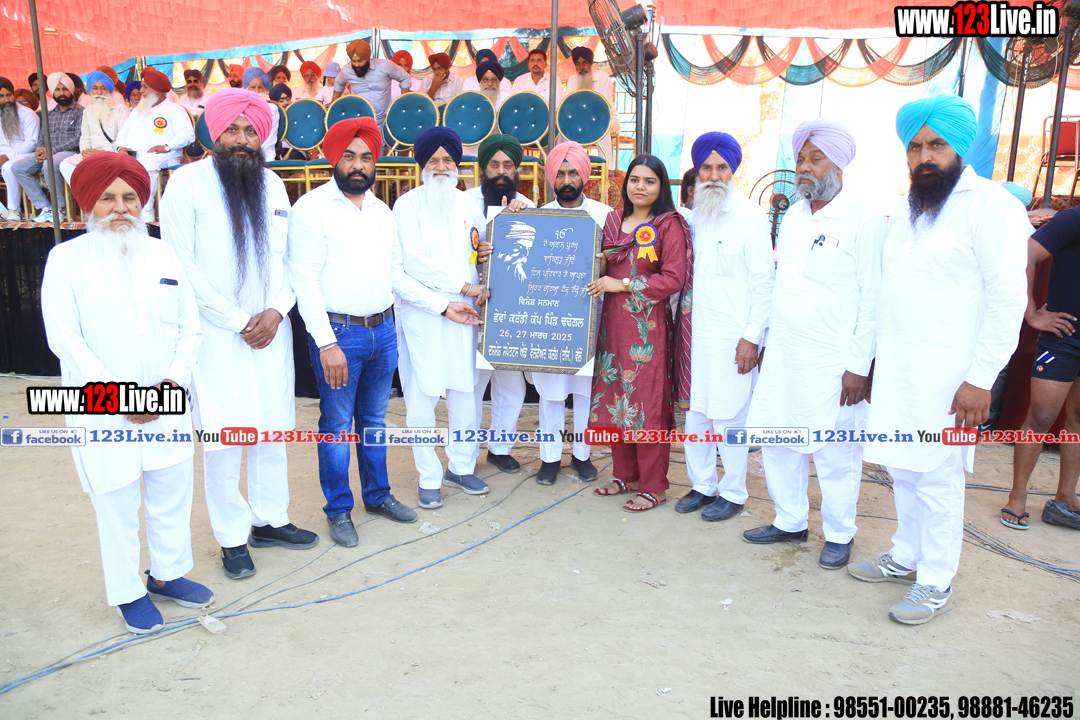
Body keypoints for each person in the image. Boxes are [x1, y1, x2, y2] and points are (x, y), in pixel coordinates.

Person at [851, 94, 1031, 625]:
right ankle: (905, 556)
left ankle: (934, 582)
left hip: (953, 380)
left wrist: (981, 379)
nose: (924, 156)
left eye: (936, 145)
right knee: (904, 470)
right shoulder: (909, 210)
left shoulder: (991, 205)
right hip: (901, 372)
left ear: (960, 149)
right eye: (915, 147)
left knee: (938, 479)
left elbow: (1008, 300)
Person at [41, 151, 212, 634]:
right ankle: (128, 592)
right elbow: (65, 340)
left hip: (166, 400)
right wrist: (120, 396)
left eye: (130, 198)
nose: (121, 208)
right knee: (115, 498)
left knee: (171, 487)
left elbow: (190, 326)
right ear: (88, 204)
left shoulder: (163, 254)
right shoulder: (66, 260)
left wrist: (171, 383)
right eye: (108, 198)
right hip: (102, 406)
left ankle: (167, 574)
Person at [160, 88, 319, 580]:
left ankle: (270, 519)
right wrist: (236, 320)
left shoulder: (273, 185)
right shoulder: (185, 184)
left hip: (270, 330)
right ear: (214, 133)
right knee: (225, 438)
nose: (243, 140)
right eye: (233, 129)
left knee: (271, 428)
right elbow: (180, 266)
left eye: (251, 131)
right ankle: (231, 537)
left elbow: (289, 260)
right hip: (216, 336)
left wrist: (276, 311)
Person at [744, 120, 885, 569]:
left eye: (815, 159)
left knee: (835, 452)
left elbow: (872, 300)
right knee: (778, 439)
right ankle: (790, 521)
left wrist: (859, 367)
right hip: (785, 354)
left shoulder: (863, 222)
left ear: (838, 166)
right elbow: (779, 284)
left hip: (834, 362)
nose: (804, 167)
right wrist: (761, 338)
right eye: (800, 159)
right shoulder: (793, 216)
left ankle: (840, 533)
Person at [290, 117, 419, 546]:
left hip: (384, 330)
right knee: (336, 424)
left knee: (374, 420)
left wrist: (445, 304)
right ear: (334, 159)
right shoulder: (312, 208)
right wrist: (326, 343)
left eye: (366, 157)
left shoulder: (382, 212)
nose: (358, 165)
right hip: (338, 335)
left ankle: (378, 496)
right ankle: (339, 510)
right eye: (349, 156)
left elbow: (395, 274)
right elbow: (304, 279)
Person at [671, 133, 774, 521]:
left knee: (731, 416)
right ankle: (702, 485)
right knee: (696, 413)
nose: (714, 176)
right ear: (696, 173)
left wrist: (751, 338)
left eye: (722, 168)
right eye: (706, 168)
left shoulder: (751, 218)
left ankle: (733, 491)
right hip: (694, 335)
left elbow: (764, 284)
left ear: (733, 172)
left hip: (733, 339)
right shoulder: (692, 218)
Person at [393, 127, 492, 508]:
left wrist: (487, 251)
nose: (441, 167)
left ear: (457, 164)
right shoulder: (407, 205)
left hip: (466, 315)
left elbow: (480, 250)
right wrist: (462, 288)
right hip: (424, 313)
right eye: (433, 160)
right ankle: (429, 476)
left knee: (465, 393)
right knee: (422, 398)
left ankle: (460, 466)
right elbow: (413, 263)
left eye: (447, 160)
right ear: (422, 165)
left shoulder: (468, 205)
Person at [587, 155, 690, 512]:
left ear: (661, 186)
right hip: (612, 328)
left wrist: (624, 284)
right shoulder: (613, 220)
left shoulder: (667, 224)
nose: (640, 187)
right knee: (618, 401)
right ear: (625, 183)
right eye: (634, 179)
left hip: (647, 331)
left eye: (649, 181)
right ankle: (624, 476)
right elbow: (603, 264)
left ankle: (654, 486)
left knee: (647, 405)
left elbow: (673, 278)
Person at [532, 141, 610, 484]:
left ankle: (582, 455)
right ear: (552, 177)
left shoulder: (605, 216)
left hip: (590, 318)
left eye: (573, 173)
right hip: (551, 318)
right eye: (561, 173)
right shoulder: (539, 216)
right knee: (551, 392)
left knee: (584, 392)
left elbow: (615, 266)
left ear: (584, 176)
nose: (567, 180)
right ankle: (549, 458)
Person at [1002, 206, 1080, 531]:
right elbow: (1025, 256)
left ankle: (1065, 497)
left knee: (1079, 418)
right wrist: (1031, 313)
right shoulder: (1074, 218)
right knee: (1041, 418)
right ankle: (1017, 497)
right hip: (1064, 337)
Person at [465, 133, 534, 474]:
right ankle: (465, 456)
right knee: (471, 385)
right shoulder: (464, 203)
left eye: (508, 165)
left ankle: (500, 448)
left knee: (511, 385)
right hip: (470, 307)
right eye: (494, 165)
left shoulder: (529, 207)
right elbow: (451, 251)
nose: (501, 171)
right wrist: (474, 253)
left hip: (510, 312)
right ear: (483, 168)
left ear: (516, 170)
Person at [115, 67, 194, 221]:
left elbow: (188, 135)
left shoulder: (174, 110)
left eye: (145, 87)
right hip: (134, 155)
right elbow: (122, 134)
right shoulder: (137, 110)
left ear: (157, 90)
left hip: (163, 155)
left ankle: (146, 215)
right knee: (111, 163)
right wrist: (121, 148)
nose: (141, 91)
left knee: (146, 163)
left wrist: (167, 147)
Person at [8, 72, 83, 223]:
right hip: (49, 152)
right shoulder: (51, 114)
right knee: (17, 167)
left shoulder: (80, 111)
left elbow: (78, 138)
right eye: (57, 90)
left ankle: (60, 208)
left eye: (65, 89)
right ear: (53, 92)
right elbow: (42, 137)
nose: (61, 93)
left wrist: (52, 151)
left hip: (69, 152)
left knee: (50, 163)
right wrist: (40, 150)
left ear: (71, 90)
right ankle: (45, 207)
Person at [59, 71, 130, 191]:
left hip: (112, 154)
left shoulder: (121, 110)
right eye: (95, 88)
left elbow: (124, 139)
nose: (99, 92)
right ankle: (88, 196)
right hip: (91, 155)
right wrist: (85, 151)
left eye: (103, 88)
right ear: (90, 90)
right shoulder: (87, 111)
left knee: (99, 167)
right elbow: (85, 137)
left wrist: (102, 152)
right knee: (65, 165)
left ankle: (96, 196)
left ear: (109, 90)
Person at [332, 39, 412, 128]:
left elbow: (405, 77)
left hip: (384, 121)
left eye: (360, 61)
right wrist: (333, 106)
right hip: (359, 121)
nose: (356, 65)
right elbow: (338, 83)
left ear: (367, 58)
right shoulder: (347, 71)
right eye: (353, 61)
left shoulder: (385, 66)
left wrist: (404, 104)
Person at [563, 46, 615, 164]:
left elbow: (604, 106)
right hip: (580, 120)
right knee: (563, 128)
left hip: (604, 117)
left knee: (602, 126)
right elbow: (569, 104)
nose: (581, 67)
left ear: (590, 63)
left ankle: (607, 167)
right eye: (578, 64)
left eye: (584, 63)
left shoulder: (603, 77)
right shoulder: (572, 80)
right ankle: (568, 164)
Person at [0, 77, 41, 221]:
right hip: (3, 156)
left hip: (25, 155)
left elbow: (32, 142)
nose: (6, 99)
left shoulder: (27, 114)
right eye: (1, 96)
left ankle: (14, 210)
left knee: (8, 167)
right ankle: (2, 211)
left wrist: (6, 157)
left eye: (9, 95)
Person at [242, 67, 280, 163]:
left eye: (260, 87)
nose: (256, 91)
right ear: (246, 88)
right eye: (253, 87)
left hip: (265, 155)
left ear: (264, 89)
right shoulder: (240, 108)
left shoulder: (271, 109)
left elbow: (269, 140)